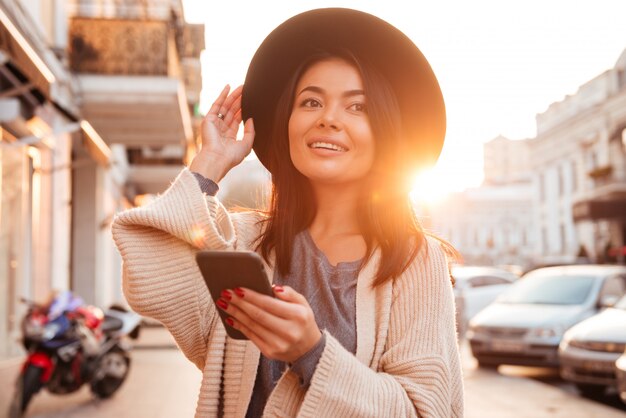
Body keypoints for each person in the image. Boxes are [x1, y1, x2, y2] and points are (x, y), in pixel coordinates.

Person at [112, 7, 463, 418]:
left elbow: (426, 412)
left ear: (384, 133)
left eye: (357, 107)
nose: (328, 119)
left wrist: (311, 352)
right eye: (311, 101)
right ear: (289, 122)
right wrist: (210, 162)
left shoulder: (415, 263)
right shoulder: (244, 241)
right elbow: (148, 273)